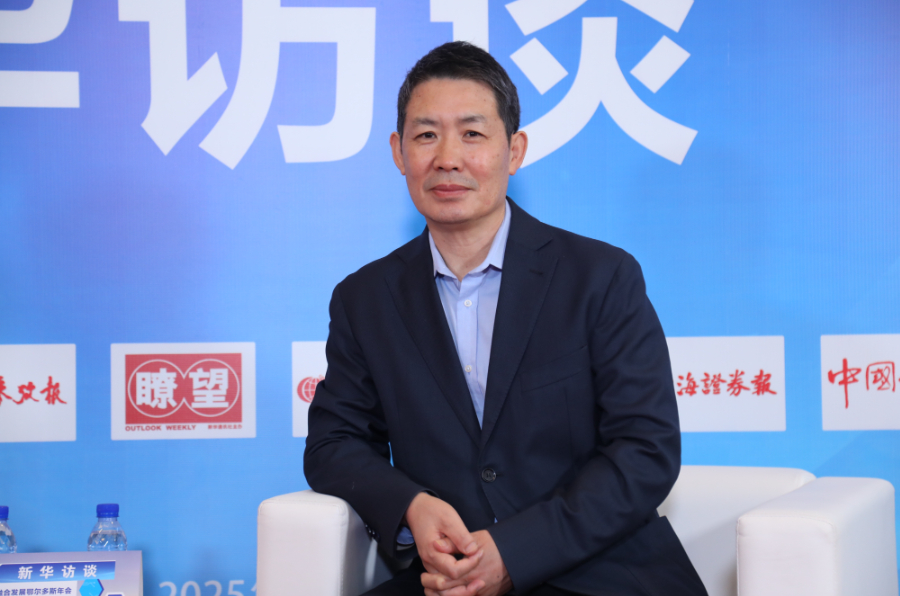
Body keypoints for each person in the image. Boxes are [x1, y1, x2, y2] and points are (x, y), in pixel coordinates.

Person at [304, 41, 707, 596]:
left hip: (598, 574)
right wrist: (412, 506)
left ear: (514, 151)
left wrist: (514, 551)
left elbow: (645, 449)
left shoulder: (599, 277)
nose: (448, 158)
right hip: (447, 578)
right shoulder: (365, 299)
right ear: (399, 152)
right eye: (426, 135)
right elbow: (334, 444)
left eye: (472, 134)